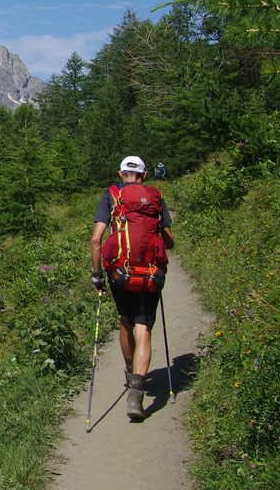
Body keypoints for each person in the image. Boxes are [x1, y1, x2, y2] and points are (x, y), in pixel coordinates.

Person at [89, 155, 174, 421]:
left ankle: (129, 371)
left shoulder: (111, 195)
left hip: (120, 273)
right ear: (144, 175)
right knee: (143, 327)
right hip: (151, 274)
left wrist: (96, 275)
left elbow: (95, 239)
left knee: (125, 320)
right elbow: (169, 241)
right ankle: (136, 394)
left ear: (121, 173)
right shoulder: (155, 196)